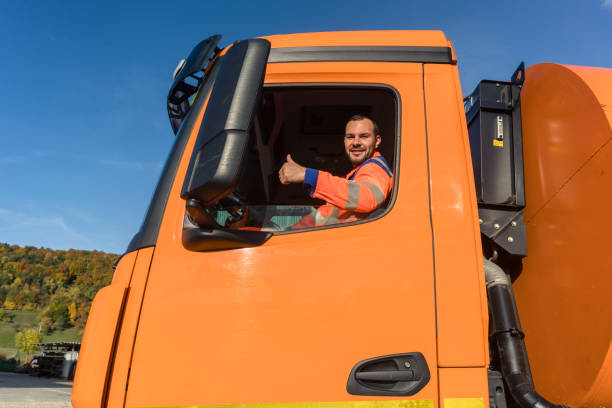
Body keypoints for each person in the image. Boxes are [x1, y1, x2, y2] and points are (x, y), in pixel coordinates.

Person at [278, 114, 393, 228]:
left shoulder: (375, 168)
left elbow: (367, 198)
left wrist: (307, 175)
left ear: (377, 141)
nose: (356, 142)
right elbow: (329, 214)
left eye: (364, 136)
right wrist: (290, 229)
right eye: (350, 137)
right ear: (344, 141)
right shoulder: (357, 174)